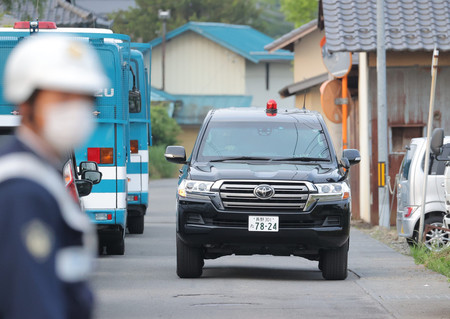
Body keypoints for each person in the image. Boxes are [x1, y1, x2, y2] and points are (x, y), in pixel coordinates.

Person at [0, 34, 109, 319]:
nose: (75, 110)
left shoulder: (44, 177)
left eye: (83, 99)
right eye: (62, 98)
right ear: (26, 105)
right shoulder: (22, 191)